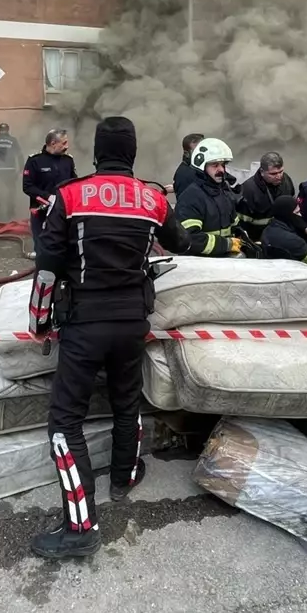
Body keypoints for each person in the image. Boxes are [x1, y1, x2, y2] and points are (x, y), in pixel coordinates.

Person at [28, 116, 191, 559]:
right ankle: (124, 478)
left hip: (84, 325)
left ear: (96, 152)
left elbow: (47, 266)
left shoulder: (69, 195)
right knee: (126, 403)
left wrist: (40, 322)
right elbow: (181, 242)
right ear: (133, 154)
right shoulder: (153, 198)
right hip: (132, 323)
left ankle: (80, 529)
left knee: (65, 424)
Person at [175, 137, 241, 257]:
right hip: (200, 266)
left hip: (223, 260)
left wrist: (243, 237)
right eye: (215, 165)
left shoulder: (224, 192)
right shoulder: (190, 198)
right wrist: (226, 244)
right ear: (201, 167)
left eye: (223, 165)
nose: (221, 169)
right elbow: (191, 238)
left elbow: (234, 225)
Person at [22, 128, 77, 246]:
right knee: (41, 246)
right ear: (53, 143)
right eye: (64, 143)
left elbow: (74, 183)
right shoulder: (35, 161)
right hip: (41, 211)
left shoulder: (68, 160)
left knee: (63, 245)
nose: (67, 146)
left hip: (63, 212)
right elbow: (27, 186)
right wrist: (48, 197)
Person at [261, 195, 307, 267]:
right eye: (297, 212)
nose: (300, 215)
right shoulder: (291, 240)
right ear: (287, 215)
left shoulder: (269, 230)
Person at [237, 151, 295, 244]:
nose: (279, 176)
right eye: (273, 174)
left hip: (283, 235)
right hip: (258, 240)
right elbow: (242, 224)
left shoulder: (286, 180)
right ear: (262, 172)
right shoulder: (248, 190)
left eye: (281, 171)